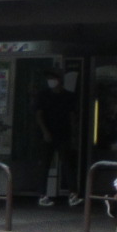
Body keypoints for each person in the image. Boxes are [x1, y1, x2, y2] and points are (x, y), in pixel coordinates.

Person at [33, 72, 81, 209]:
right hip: (47, 134)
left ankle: (73, 193)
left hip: (64, 133)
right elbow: (39, 115)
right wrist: (45, 132)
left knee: (67, 163)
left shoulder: (69, 96)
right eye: (49, 79)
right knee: (45, 164)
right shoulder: (43, 95)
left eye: (53, 79)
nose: (51, 81)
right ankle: (42, 194)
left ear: (60, 80)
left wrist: (73, 133)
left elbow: (72, 116)